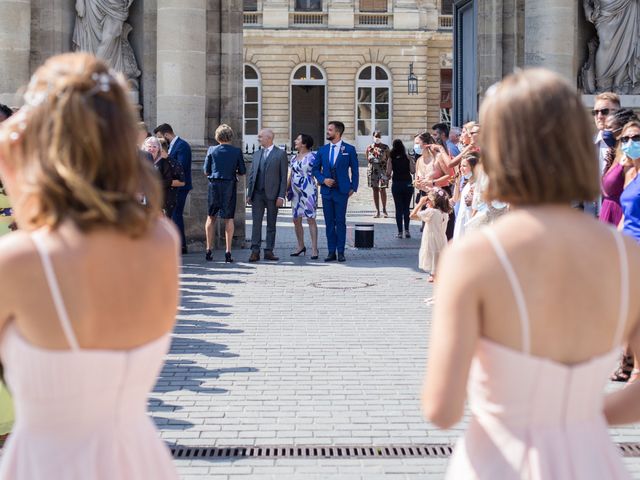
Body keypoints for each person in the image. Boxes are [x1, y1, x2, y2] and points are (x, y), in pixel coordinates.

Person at [422, 68, 640, 479]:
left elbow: (441, 408)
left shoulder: (473, 258)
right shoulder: (627, 256)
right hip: (590, 458)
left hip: (502, 457)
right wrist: (573, 411)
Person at [0, 52, 180, 479]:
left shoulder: (21, 259)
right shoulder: (161, 240)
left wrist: (13, 164)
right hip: (138, 457)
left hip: (51, 463)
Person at [312, 121, 359, 263]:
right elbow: (315, 169)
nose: (327, 132)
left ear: (337, 133)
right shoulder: (322, 150)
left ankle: (341, 251)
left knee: (340, 221)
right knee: (329, 223)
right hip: (327, 191)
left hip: (342, 191)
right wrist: (322, 179)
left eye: (330, 130)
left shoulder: (349, 149)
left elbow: (355, 170)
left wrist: (353, 187)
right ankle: (331, 251)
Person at [203, 124, 246, 263]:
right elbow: (242, 171)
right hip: (229, 185)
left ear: (217, 136)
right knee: (229, 218)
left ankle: (209, 249)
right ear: (230, 136)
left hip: (214, 185)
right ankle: (228, 251)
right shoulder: (236, 151)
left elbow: (206, 171)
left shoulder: (211, 150)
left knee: (211, 217)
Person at [246, 128, 288, 262]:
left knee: (271, 224)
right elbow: (252, 175)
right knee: (256, 224)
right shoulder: (257, 154)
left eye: (260, 137)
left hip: (273, 195)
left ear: (269, 138)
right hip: (257, 194)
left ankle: (269, 250)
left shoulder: (280, 154)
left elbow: (283, 177)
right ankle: (255, 251)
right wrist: (249, 194)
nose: (258, 139)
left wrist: (281, 196)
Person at [154, 123, 192, 254]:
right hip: (170, 187)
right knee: (172, 215)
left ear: (166, 134)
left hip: (180, 187)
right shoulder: (171, 146)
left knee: (176, 215)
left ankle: (180, 245)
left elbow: (182, 165)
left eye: (160, 137)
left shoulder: (182, 145)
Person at [600, 109, 638, 227]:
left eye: (609, 127)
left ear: (622, 129)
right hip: (607, 218)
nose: (605, 131)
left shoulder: (629, 159)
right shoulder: (617, 154)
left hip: (619, 219)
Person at [288, 133, 319, 259]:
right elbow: (290, 174)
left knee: (310, 219)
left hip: (309, 189)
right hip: (295, 192)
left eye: (298, 139)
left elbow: (318, 172)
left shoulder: (313, 157)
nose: (295, 141)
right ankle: (300, 246)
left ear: (304, 143)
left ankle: (314, 248)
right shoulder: (293, 158)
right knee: (296, 219)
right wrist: (286, 188)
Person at [410, 188, 450, 283]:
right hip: (442, 238)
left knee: (432, 255)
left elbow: (412, 215)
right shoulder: (445, 212)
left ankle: (434, 275)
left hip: (431, 238)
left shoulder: (431, 212)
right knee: (438, 255)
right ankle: (437, 274)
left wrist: (420, 203)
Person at [386, 139, 415, 238]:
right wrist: (411, 160)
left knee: (398, 209)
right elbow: (412, 171)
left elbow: (388, 173)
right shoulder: (407, 157)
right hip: (407, 183)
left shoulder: (391, 158)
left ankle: (399, 232)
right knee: (406, 208)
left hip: (397, 184)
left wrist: (388, 176)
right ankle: (407, 230)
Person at [143, 136, 173, 217]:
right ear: (145, 148)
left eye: (154, 146)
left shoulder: (164, 162)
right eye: (149, 146)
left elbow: (169, 180)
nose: (151, 149)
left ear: (159, 149)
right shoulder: (140, 161)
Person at [452, 153, 479, 240]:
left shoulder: (477, 185)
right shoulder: (467, 184)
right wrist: (457, 182)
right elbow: (456, 199)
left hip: (469, 221)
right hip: (462, 220)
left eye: (464, 166)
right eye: (460, 166)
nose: (461, 169)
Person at [365, 131, 389, 218]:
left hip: (382, 171)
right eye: (376, 136)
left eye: (379, 136)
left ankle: (384, 209)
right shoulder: (369, 147)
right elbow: (367, 158)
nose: (377, 138)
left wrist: (389, 172)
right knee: (375, 190)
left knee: (382, 189)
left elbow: (389, 159)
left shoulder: (385, 147)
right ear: (373, 137)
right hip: (372, 171)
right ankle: (377, 211)